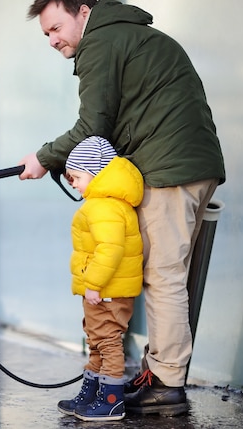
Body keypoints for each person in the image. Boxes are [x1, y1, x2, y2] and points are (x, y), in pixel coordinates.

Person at [19, 0, 226, 417]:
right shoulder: (130, 35)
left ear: (83, 12)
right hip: (192, 163)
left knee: (163, 276)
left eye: (56, 28)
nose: (53, 40)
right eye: (46, 35)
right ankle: (157, 372)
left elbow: (93, 126)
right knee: (166, 272)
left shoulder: (102, 43)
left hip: (171, 169)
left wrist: (43, 158)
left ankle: (167, 383)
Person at [57, 136, 143, 421]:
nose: (73, 183)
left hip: (107, 291)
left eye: (77, 177)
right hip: (104, 291)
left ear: (97, 175)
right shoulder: (105, 203)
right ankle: (92, 395)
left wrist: (93, 284)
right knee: (97, 342)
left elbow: (110, 249)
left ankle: (111, 401)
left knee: (107, 343)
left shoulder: (104, 206)